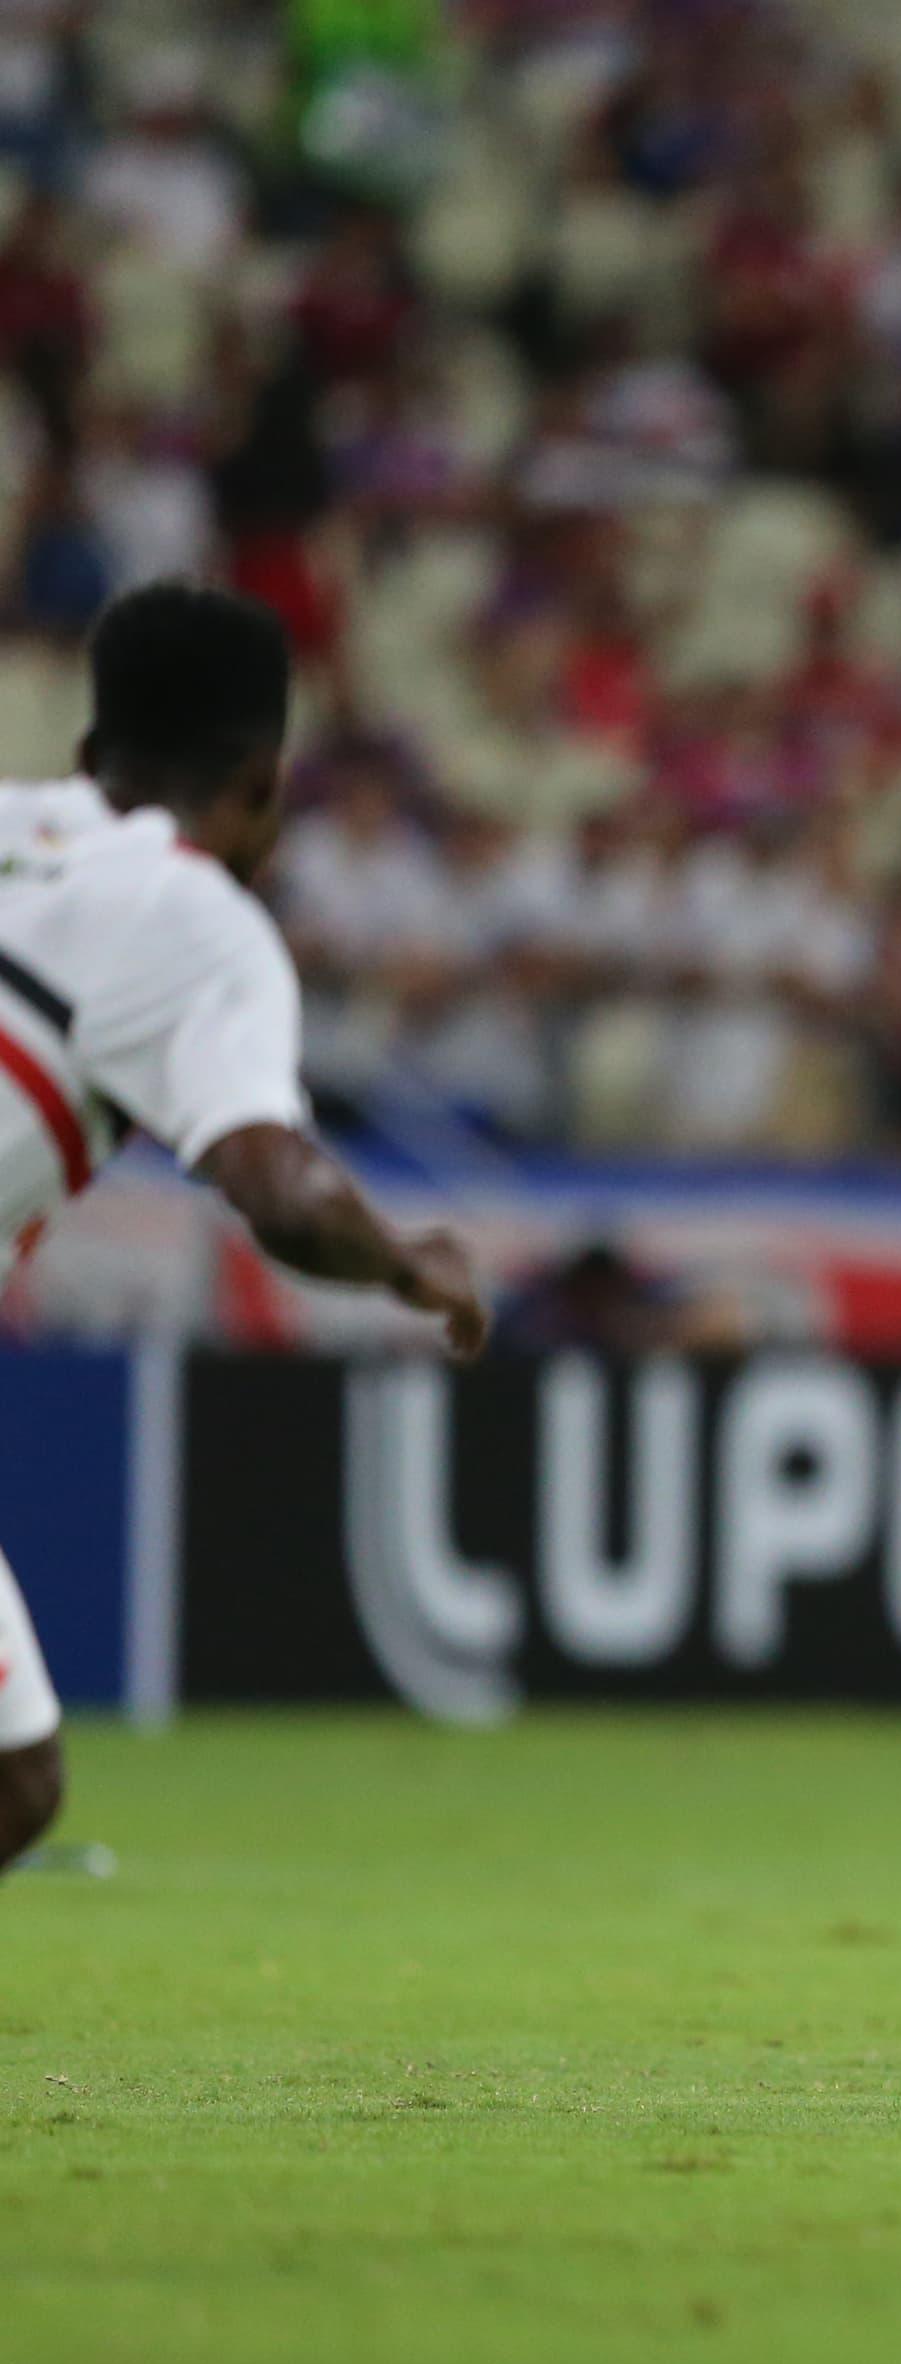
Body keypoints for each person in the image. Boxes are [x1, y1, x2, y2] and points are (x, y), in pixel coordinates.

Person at [0, 583, 489, 1873]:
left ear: (88, 757)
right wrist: (411, 1262)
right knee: (12, 1785)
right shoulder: (203, 923)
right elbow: (281, 1187)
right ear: (266, 787)